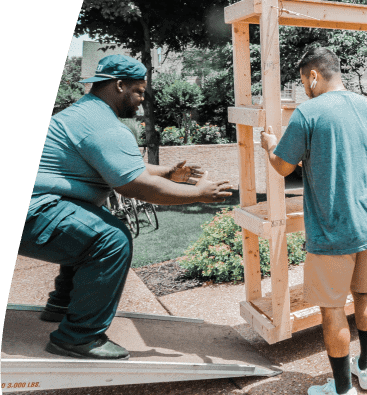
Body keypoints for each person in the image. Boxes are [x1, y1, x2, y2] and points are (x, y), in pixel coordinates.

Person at [19, 54, 232, 360]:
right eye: (139, 92)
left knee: (89, 226)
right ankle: (79, 337)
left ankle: (63, 304)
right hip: (34, 210)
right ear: (119, 85)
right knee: (110, 239)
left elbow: (124, 167)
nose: (142, 101)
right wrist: (198, 194)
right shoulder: (104, 127)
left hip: (35, 203)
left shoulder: (87, 114)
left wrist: (169, 173)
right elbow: (136, 186)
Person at [260, 46, 367, 395]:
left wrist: (271, 145)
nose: (304, 89)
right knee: (365, 295)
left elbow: (283, 167)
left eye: (304, 81)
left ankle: (343, 392)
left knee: (332, 309)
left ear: (314, 76)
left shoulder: (308, 112)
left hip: (334, 228)